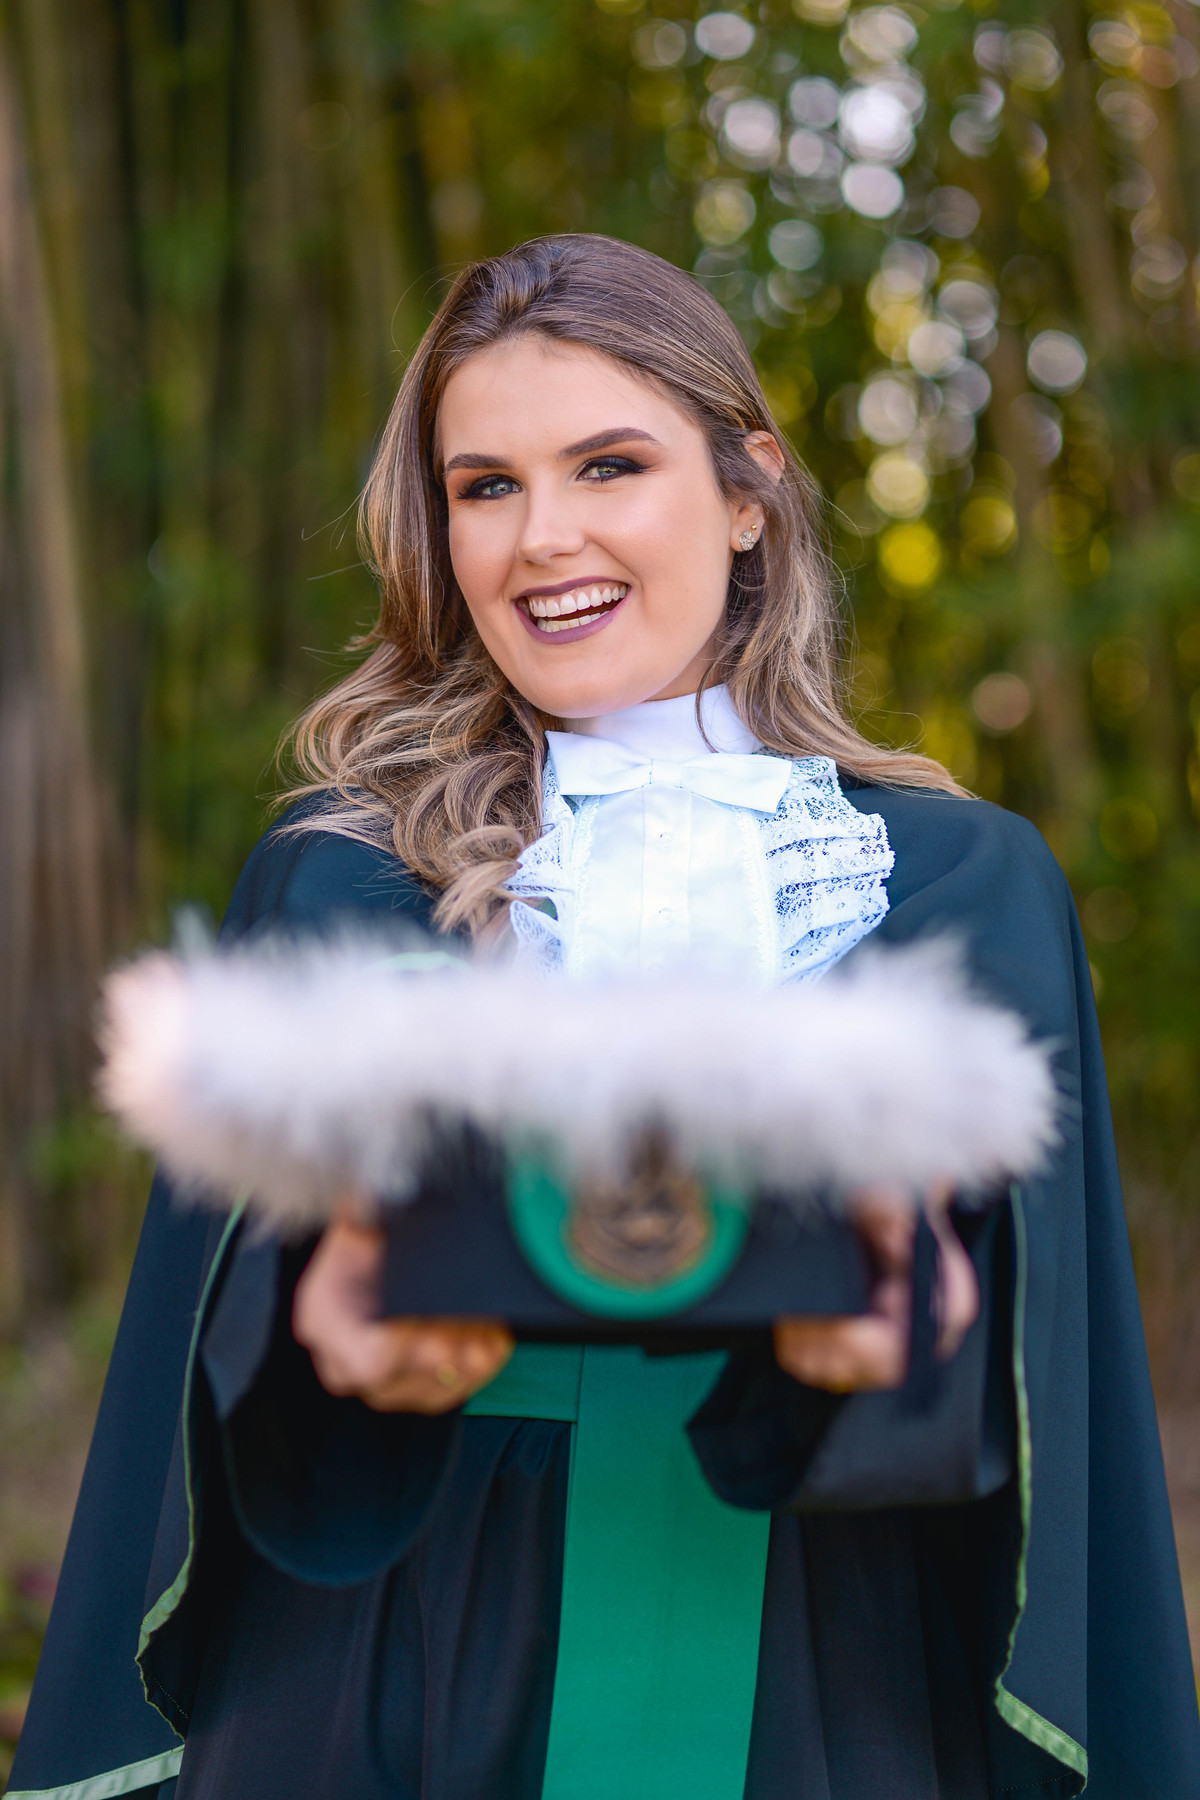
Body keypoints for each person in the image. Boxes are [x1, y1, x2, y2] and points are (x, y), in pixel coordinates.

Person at [10, 235, 1198, 1800]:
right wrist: (333, 1323)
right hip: (403, 1662)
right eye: (486, 486)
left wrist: (910, 1335)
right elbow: (225, 1374)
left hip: (828, 1673)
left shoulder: (962, 886)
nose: (542, 537)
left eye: (610, 465)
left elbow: (1040, 1405)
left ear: (750, 488)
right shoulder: (341, 877)